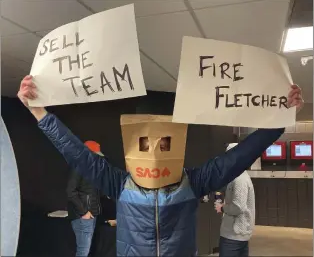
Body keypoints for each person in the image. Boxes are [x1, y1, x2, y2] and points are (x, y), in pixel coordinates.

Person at [17, 75, 303, 256]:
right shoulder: (119, 183)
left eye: (165, 144)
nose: (155, 152)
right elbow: (77, 153)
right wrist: (38, 112)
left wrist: (280, 122)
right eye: (146, 145)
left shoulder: (195, 182)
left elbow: (241, 155)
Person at [215, 143, 255, 257]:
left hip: (233, 235)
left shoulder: (239, 179)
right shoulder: (237, 176)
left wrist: (222, 207)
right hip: (237, 235)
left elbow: (238, 207)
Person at [66, 141, 103, 257]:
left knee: (85, 251)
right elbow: (70, 191)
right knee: (83, 252)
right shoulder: (78, 167)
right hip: (84, 216)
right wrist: (84, 212)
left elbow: (91, 191)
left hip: (91, 214)